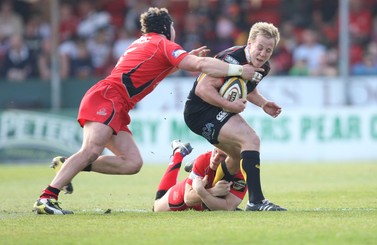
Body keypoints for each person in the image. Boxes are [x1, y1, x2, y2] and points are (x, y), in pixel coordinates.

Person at [32, 7, 263, 215]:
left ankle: (70, 165)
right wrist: (238, 70)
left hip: (114, 102)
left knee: (132, 163)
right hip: (108, 98)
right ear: (166, 27)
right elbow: (200, 66)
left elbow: (153, 72)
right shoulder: (162, 44)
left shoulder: (144, 42)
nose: (174, 30)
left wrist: (184, 58)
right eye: (172, 26)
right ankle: (47, 197)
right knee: (91, 150)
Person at [183, 22, 287, 211]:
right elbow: (202, 88)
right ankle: (256, 201)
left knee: (238, 156)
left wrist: (263, 103)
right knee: (251, 139)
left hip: (213, 111)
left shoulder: (263, 67)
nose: (263, 54)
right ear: (249, 43)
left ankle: (210, 192)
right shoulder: (231, 60)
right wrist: (229, 105)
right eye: (260, 48)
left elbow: (245, 89)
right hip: (200, 111)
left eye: (269, 50)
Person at [153, 140, 247, 212]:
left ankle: (194, 168)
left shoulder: (243, 172)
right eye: (215, 152)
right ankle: (178, 153)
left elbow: (228, 206)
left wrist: (203, 191)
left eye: (222, 156)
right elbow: (188, 199)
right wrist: (212, 191)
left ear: (233, 158)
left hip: (204, 204)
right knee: (157, 207)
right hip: (186, 197)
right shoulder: (205, 159)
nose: (215, 158)